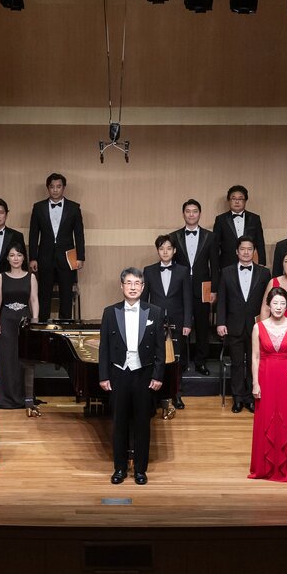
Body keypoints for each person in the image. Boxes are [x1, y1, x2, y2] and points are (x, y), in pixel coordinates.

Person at [98, 268, 165, 485]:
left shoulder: (155, 311)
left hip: (144, 374)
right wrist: (103, 375)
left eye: (137, 283)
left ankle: (140, 469)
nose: (133, 287)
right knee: (119, 422)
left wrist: (158, 375)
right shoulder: (110, 312)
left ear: (143, 287)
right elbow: (104, 348)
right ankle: (119, 467)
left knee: (142, 423)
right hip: (119, 373)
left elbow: (159, 349)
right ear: (122, 286)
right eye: (129, 283)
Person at [249, 286, 287, 482]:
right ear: (269, 305)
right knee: (266, 419)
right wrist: (255, 383)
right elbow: (255, 357)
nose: (279, 307)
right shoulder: (258, 326)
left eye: (283, 303)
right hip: (266, 377)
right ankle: (264, 467)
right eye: (275, 303)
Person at [216, 237, 272, 413]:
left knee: (254, 363)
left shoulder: (264, 273)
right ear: (236, 251)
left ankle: (251, 398)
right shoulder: (226, 272)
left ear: (254, 251)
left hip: (256, 326)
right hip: (234, 325)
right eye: (243, 249)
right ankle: (238, 399)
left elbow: (267, 301)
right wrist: (220, 323)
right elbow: (222, 300)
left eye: (249, 249)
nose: (246, 252)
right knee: (237, 363)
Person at [142, 235, 193, 413]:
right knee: (155, 358)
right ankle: (155, 393)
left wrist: (187, 322)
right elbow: (144, 299)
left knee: (176, 360)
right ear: (158, 251)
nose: (165, 251)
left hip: (177, 321)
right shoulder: (148, 271)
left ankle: (176, 393)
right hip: (154, 322)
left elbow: (187, 298)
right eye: (162, 248)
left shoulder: (183, 271)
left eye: (169, 248)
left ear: (174, 251)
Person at [29, 173, 85, 319]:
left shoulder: (74, 207)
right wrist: (32, 258)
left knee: (66, 294)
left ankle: (65, 329)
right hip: (44, 257)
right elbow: (33, 234)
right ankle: (42, 329)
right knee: (44, 294)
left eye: (58, 186)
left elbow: (79, 234)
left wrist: (80, 257)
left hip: (67, 259)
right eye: (52, 186)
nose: (55, 190)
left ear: (64, 188)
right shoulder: (38, 207)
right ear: (48, 188)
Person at [172, 199, 218, 376]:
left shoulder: (210, 236)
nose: (191, 214)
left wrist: (213, 289)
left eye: (195, 211)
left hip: (204, 287)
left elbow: (214, 265)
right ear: (183, 214)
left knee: (202, 326)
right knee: (182, 325)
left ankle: (201, 361)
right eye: (188, 211)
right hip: (181, 288)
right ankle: (181, 361)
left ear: (200, 213)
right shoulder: (174, 236)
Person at [0, 244, 39, 410]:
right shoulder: (1, 277)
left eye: (19, 255)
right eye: (12, 255)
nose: (16, 258)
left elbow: (34, 300)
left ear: (23, 258)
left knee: (22, 359)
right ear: (7, 258)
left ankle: (23, 396)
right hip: (6, 320)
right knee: (6, 358)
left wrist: (35, 320)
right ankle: (3, 396)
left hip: (24, 322)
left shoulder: (31, 277)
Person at [213, 185, 265, 269]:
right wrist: (215, 267)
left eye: (240, 199)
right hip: (226, 264)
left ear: (245, 201)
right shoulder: (220, 219)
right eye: (233, 198)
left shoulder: (255, 219)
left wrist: (262, 263)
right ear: (229, 201)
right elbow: (215, 245)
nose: (237, 202)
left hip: (250, 263)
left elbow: (260, 242)